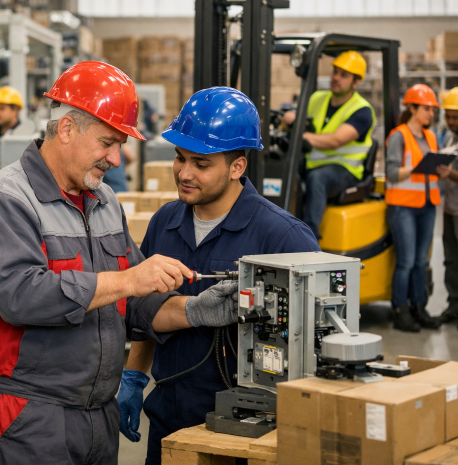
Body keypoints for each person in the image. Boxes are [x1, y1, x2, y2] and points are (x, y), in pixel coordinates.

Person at [0, 61, 192, 465]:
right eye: (107, 143)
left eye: (120, 144)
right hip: (28, 417)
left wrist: (200, 310)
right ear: (66, 128)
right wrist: (128, 281)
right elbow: (21, 296)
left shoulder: (104, 200)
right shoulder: (6, 199)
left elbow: (137, 301)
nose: (116, 159)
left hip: (97, 414)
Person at [119, 87, 320, 465]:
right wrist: (134, 377)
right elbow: (144, 309)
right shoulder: (165, 221)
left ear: (237, 167)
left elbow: (311, 348)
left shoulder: (283, 237)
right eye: (179, 158)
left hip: (242, 432)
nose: (184, 173)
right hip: (167, 420)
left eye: (201, 163)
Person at [385, 84, 442, 332]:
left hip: (427, 205)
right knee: (406, 262)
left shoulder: (431, 137)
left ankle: (419, 307)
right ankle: (401, 309)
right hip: (403, 207)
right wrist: (417, 167)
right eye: (427, 109)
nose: (431, 113)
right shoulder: (399, 136)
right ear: (412, 109)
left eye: (432, 109)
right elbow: (391, 173)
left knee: (421, 261)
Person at [301, 51, 375, 239]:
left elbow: (335, 140)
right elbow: (303, 120)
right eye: (335, 72)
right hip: (313, 163)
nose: (335, 78)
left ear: (355, 82)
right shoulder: (317, 98)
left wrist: (303, 137)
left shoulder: (362, 110)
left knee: (317, 178)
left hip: (346, 171)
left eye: (343, 75)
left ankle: (308, 237)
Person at [436, 87, 458, 328]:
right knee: (452, 261)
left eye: (455, 117)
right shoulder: (450, 137)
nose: (450, 121)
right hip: (449, 208)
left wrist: (451, 174)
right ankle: (456, 306)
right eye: (448, 116)